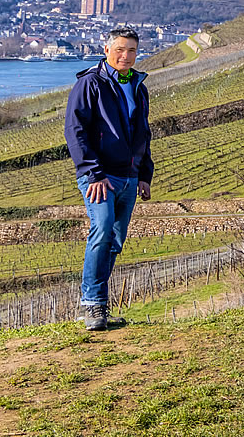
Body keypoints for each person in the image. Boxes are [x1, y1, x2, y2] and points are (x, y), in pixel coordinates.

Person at [65, 27, 154, 331]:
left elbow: (143, 134)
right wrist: (92, 172)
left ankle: (99, 306)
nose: (125, 56)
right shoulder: (90, 84)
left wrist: (144, 175)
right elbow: (75, 131)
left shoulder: (139, 88)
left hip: (128, 177)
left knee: (115, 241)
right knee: (101, 230)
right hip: (99, 176)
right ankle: (92, 305)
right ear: (106, 50)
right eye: (119, 49)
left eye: (131, 50)